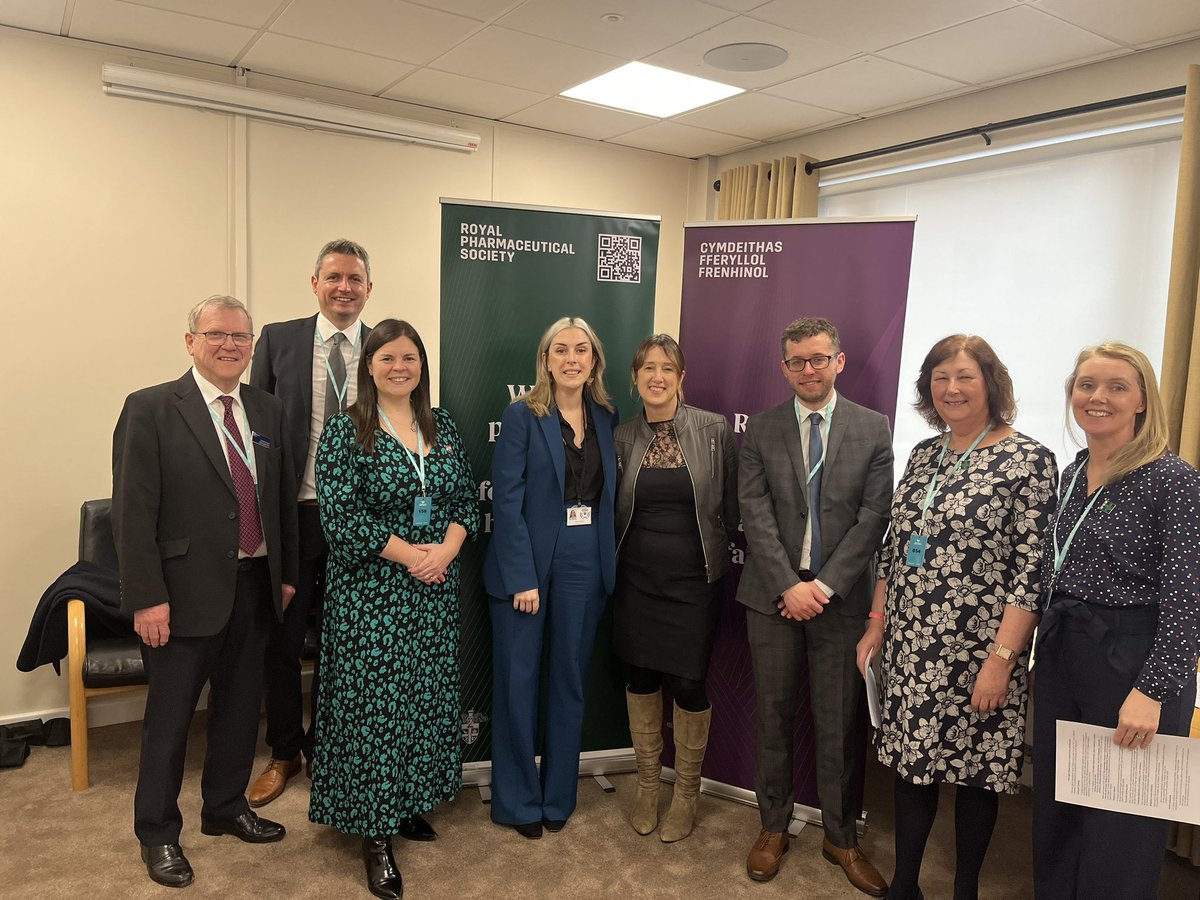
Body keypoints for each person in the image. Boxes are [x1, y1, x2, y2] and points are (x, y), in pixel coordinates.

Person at [855, 335, 1057, 900]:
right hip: (912, 645)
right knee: (911, 766)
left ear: (991, 383)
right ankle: (905, 883)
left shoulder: (1029, 460)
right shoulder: (925, 454)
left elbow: (1031, 570)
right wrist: (876, 623)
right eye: (940, 377)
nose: (952, 388)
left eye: (965, 376)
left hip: (983, 650)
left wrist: (1001, 661)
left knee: (976, 774)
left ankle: (965, 887)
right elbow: (896, 549)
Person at [112, 295, 299, 888]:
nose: (229, 346)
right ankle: (158, 833)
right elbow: (132, 513)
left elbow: (281, 500)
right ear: (190, 341)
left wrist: (287, 572)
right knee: (169, 723)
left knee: (242, 710)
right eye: (216, 335)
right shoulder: (150, 409)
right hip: (179, 593)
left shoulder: (268, 410)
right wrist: (146, 595)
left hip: (255, 585)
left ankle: (224, 807)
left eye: (241, 337)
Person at [308, 319, 479, 900]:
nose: (399, 367)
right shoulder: (343, 432)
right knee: (374, 708)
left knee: (422, 701)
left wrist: (449, 549)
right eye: (387, 358)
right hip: (371, 596)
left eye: (410, 357)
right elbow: (343, 520)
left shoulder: (444, 425)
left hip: (433, 593)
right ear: (369, 367)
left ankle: (407, 803)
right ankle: (375, 834)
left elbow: (462, 500)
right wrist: (414, 557)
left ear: (421, 366)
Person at [1032, 342, 1200, 899]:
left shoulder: (1172, 478)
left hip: (1134, 656)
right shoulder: (1075, 470)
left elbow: (1187, 597)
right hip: (1065, 650)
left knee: (1121, 820)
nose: (1097, 397)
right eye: (1086, 385)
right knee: (1060, 808)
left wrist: (1151, 691)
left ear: (1142, 402)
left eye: (1116, 387)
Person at [738, 316, 893, 894]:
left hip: (841, 601)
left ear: (839, 361)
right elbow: (752, 512)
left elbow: (874, 517)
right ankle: (773, 827)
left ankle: (841, 838)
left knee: (838, 726)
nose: (809, 369)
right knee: (773, 719)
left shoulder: (873, 428)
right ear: (784, 368)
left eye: (819, 359)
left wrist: (824, 587)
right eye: (798, 361)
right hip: (772, 597)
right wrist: (788, 585)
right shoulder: (762, 427)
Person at [245, 240, 388, 821]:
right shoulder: (278, 339)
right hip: (297, 515)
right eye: (334, 277)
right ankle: (284, 751)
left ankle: (330, 748)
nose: (344, 287)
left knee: (346, 642)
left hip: (359, 521)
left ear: (368, 288)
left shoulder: (385, 347)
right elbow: (255, 423)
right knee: (281, 639)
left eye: (355, 278)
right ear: (315, 283)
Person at [482, 316, 619, 840]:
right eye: (560, 349)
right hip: (527, 562)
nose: (570, 358)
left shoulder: (606, 416)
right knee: (519, 683)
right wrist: (522, 577)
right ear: (545, 359)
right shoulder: (522, 415)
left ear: (594, 361)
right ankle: (518, 801)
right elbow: (508, 501)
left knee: (569, 680)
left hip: (586, 558)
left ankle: (558, 794)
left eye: (581, 350)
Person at [613, 334, 738, 842]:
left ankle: (686, 794)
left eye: (667, 368)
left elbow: (731, 506)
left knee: (688, 683)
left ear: (682, 378)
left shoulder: (713, 429)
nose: (657, 376)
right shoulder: (621, 436)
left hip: (694, 581)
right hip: (637, 579)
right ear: (634, 379)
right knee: (641, 677)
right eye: (647, 368)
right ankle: (648, 786)